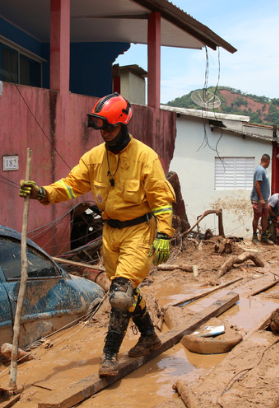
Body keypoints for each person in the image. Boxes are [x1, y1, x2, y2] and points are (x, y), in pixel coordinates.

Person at [19, 93, 176, 377]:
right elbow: (70, 186)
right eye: (100, 128)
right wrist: (43, 193)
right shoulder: (93, 159)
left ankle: (109, 356)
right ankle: (150, 336)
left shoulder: (145, 158)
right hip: (110, 236)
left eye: (109, 128)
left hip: (139, 233)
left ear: (123, 124)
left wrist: (164, 233)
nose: (104, 133)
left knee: (118, 296)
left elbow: (162, 200)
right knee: (125, 292)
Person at [250, 154, 273, 245]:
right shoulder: (260, 170)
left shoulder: (263, 170)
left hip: (264, 199)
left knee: (264, 217)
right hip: (258, 200)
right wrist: (261, 198)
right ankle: (254, 236)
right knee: (256, 217)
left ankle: (263, 236)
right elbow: (257, 184)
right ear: (268, 161)